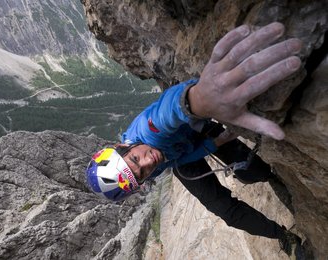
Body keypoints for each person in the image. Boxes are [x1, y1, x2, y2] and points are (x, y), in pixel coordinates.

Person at [85, 22, 306, 259]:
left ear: (123, 146)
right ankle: (284, 237)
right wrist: (213, 146)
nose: (147, 163)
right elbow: (173, 160)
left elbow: (166, 113)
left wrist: (197, 99)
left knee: (252, 172)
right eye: (140, 174)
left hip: (194, 124)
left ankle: (270, 176)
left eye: (134, 159)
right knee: (226, 211)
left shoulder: (148, 132)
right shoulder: (150, 164)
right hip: (183, 154)